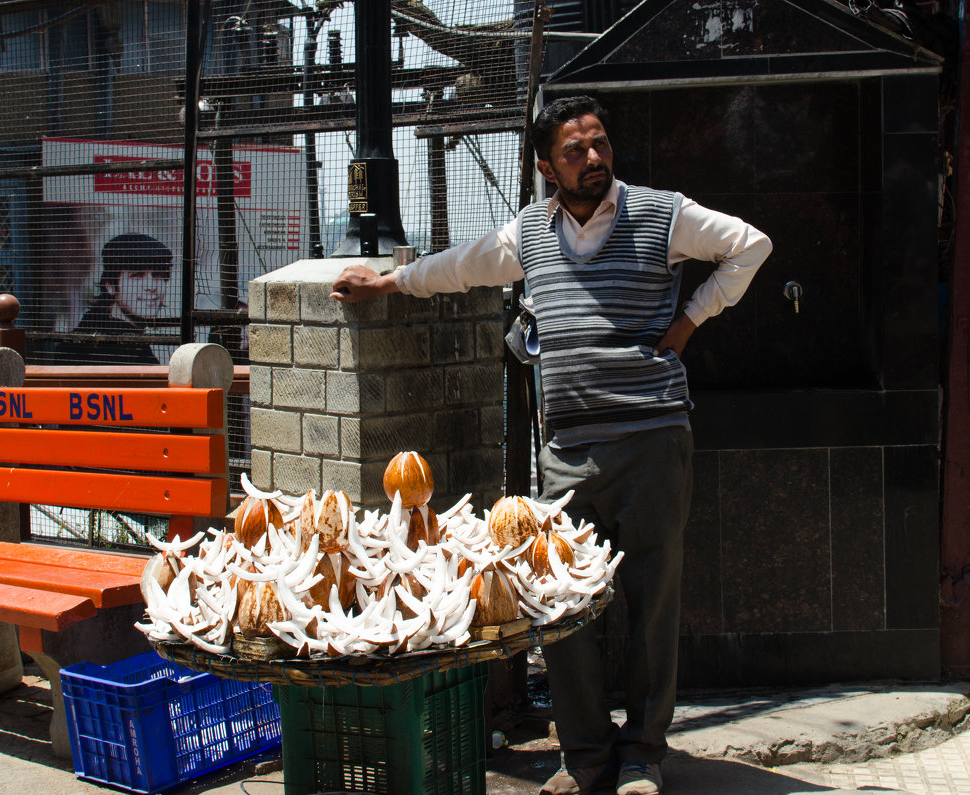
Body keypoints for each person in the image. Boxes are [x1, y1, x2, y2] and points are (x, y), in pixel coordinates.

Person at [330, 95, 771, 795]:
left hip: (652, 439)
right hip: (565, 449)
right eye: (575, 150)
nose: (593, 158)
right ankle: (586, 755)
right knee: (560, 604)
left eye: (600, 143)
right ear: (545, 167)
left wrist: (689, 320)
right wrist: (387, 282)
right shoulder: (531, 233)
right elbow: (465, 266)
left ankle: (643, 756)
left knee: (651, 600)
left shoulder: (663, 214)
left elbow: (750, 244)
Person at [56, 233, 173, 365]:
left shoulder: (83, 334)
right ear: (110, 286)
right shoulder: (127, 352)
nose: (151, 287)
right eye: (136, 275)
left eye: (158, 275)